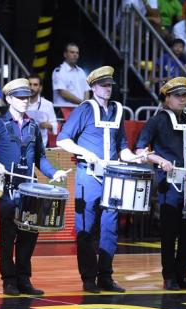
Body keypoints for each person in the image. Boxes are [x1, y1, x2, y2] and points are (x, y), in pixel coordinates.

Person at [0, 78, 67, 296]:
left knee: (29, 235)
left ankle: (24, 279)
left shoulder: (33, 125)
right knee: (8, 236)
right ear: (8, 99)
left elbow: (40, 158)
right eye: (20, 97)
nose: (25, 101)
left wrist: (54, 173)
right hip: (7, 189)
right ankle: (9, 280)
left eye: (27, 97)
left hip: (30, 189)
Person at [56, 66, 142, 294]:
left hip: (112, 176)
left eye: (110, 85)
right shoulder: (84, 109)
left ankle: (106, 276)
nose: (107, 89)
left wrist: (134, 157)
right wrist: (86, 153)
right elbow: (63, 139)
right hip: (89, 175)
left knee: (110, 228)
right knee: (84, 226)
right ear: (93, 87)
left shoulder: (118, 110)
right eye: (103, 85)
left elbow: (122, 146)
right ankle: (88, 278)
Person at [135, 77, 186, 291]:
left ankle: (183, 274)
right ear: (166, 99)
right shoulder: (157, 121)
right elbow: (140, 151)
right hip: (169, 185)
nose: (183, 99)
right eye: (178, 96)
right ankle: (169, 276)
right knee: (170, 232)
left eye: (185, 95)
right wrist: (159, 160)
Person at [52, 42, 90, 120]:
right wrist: (83, 103)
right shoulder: (59, 71)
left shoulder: (81, 71)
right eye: (72, 52)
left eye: (77, 53)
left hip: (80, 111)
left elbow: (86, 91)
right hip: (63, 112)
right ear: (65, 54)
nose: (75, 55)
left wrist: (85, 105)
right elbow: (63, 93)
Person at [26, 74, 57, 148]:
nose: (32, 87)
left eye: (35, 85)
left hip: (40, 145)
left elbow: (54, 123)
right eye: (29, 84)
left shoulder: (47, 104)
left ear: (40, 88)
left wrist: (49, 125)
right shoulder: (18, 102)